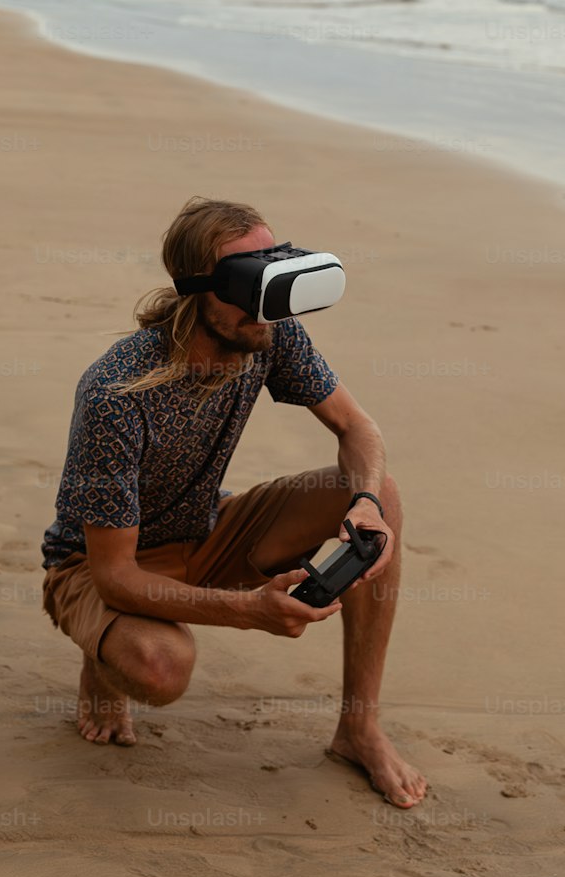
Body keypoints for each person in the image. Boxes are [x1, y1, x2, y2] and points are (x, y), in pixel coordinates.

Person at [41, 195, 427, 808]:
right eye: (251, 286)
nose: (266, 309)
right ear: (199, 290)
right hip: (100, 561)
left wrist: (363, 502)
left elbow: (360, 430)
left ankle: (359, 728)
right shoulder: (117, 392)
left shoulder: (266, 333)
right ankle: (102, 656)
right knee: (159, 668)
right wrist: (250, 611)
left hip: (207, 524)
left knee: (384, 497)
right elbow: (114, 576)